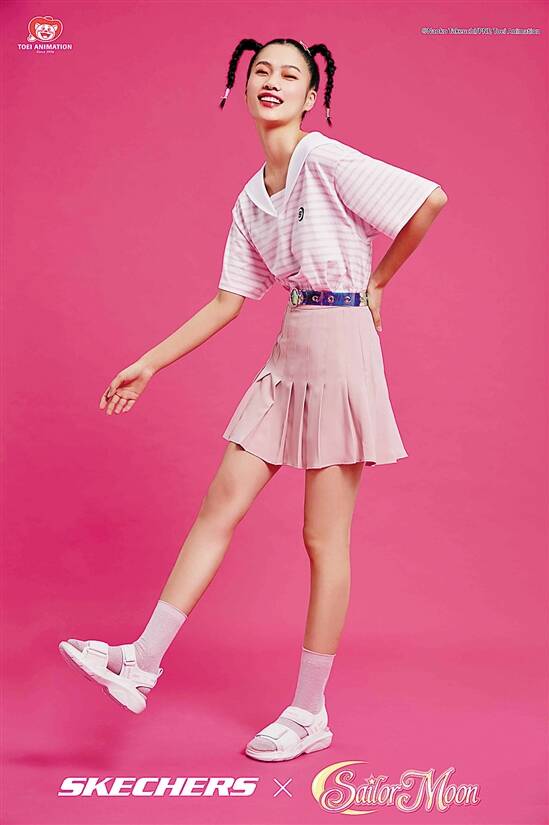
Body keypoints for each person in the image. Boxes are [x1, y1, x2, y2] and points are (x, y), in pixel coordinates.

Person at [58, 37, 448, 762]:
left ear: (310, 97)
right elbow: (227, 302)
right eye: (261, 71)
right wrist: (148, 364)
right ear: (244, 89)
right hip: (290, 346)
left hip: (342, 346)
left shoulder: (322, 158)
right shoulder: (250, 197)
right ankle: (142, 661)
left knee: (322, 540)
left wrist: (379, 281)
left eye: (289, 74)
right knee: (220, 506)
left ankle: (309, 712)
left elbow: (429, 200)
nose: (272, 81)